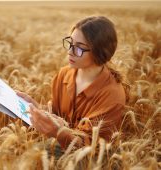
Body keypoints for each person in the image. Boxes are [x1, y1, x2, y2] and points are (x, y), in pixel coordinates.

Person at [17, 16, 128, 152]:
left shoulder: (111, 95)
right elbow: (57, 114)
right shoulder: (64, 74)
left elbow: (91, 148)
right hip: (60, 147)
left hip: (88, 160)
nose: (70, 51)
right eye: (70, 43)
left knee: (35, 152)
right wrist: (35, 106)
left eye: (79, 48)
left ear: (99, 52)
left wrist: (58, 133)